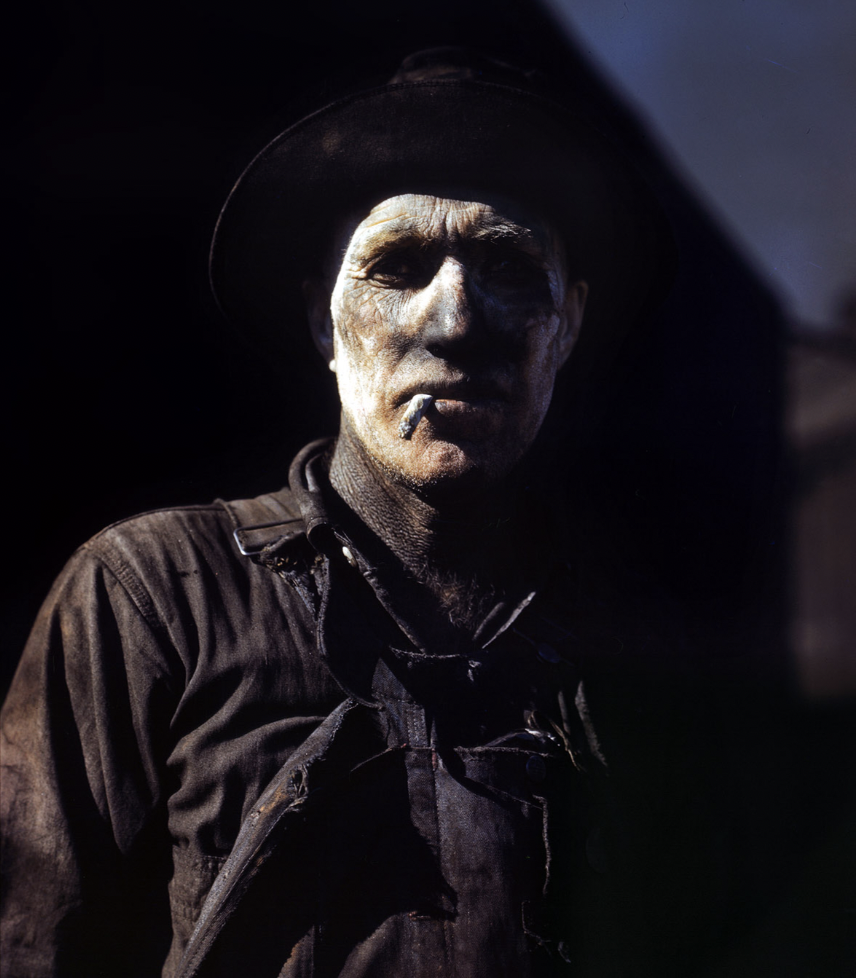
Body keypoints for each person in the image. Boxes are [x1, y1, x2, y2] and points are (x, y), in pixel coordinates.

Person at [1, 50, 756, 978]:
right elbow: (31, 945)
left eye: (510, 266)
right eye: (397, 266)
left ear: (567, 326)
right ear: (325, 325)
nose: (455, 321)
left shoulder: (638, 640)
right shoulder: (154, 593)